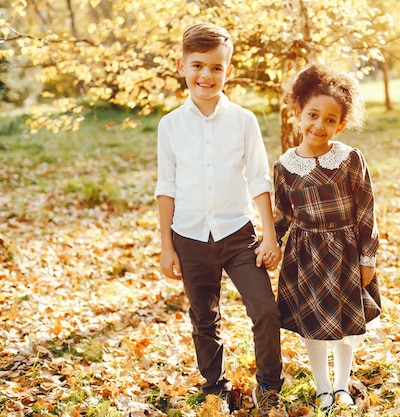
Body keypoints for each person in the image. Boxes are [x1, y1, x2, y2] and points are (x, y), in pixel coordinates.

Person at [154, 22, 286, 416]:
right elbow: (167, 187)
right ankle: (215, 385)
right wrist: (166, 247)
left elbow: (259, 177)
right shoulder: (170, 125)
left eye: (215, 67)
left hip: (238, 234)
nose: (206, 75)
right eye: (197, 66)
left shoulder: (243, 120)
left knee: (265, 310)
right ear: (182, 66)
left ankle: (269, 383)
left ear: (228, 71)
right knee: (203, 318)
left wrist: (269, 236)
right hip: (190, 237)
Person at [273, 64, 382, 411]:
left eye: (330, 120)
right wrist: (269, 244)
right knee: (314, 324)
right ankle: (321, 387)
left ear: (341, 124)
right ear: (297, 114)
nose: (319, 125)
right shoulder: (285, 167)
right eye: (313, 115)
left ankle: (341, 385)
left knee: (346, 323)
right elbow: (282, 215)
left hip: (346, 252)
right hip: (306, 256)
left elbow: (366, 209)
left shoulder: (349, 159)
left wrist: (368, 258)